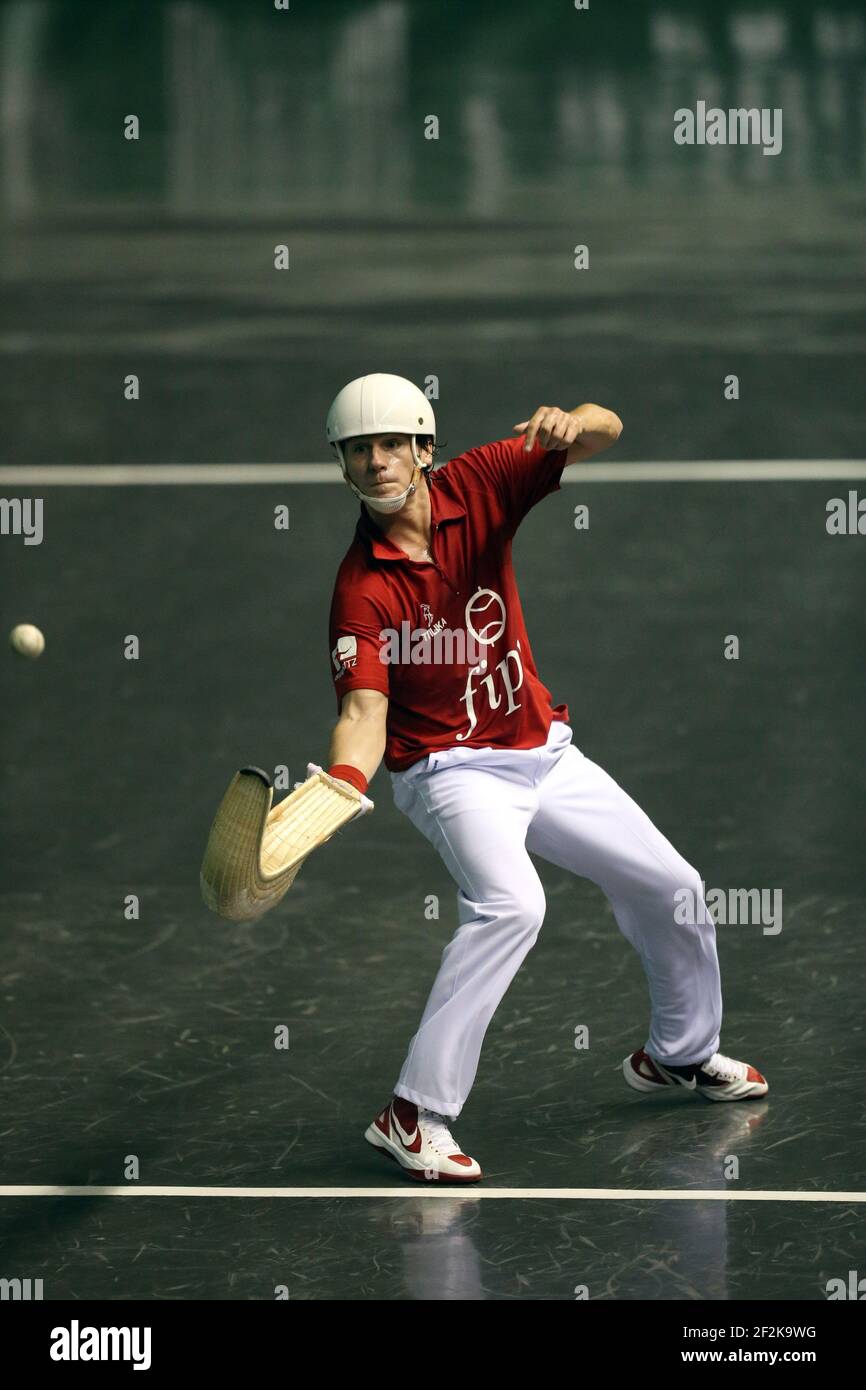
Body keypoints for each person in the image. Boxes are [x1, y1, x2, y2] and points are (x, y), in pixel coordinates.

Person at [324, 373, 768, 1184]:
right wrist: (342, 784)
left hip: (540, 748)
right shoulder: (362, 591)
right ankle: (412, 1113)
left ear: (426, 448)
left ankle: (681, 1054)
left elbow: (607, 426)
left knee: (675, 884)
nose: (378, 463)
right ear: (345, 467)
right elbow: (362, 711)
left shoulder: (485, 479)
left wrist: (575, 422)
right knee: (510, 905)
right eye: (360, 451)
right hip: (448, 770)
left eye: (392, 445)